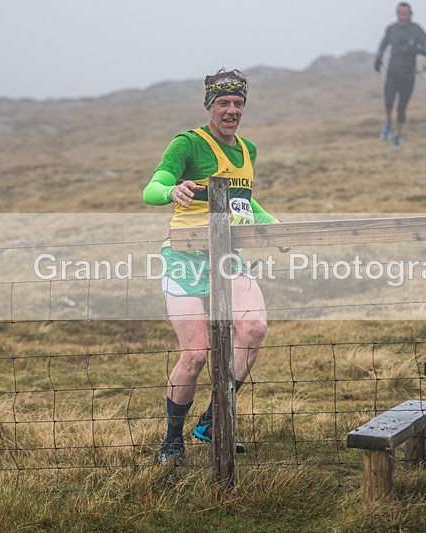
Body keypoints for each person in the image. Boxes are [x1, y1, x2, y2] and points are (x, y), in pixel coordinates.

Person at [143, 68, 282, 466]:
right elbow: (151, 189)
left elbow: (244, 202)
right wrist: (172, 189)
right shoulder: (187, 144)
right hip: (184, 259)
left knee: (254, 327)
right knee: (196, 353)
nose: (232, 110)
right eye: (224, 103)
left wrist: (274, 227)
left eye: (238, 103)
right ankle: (172, 440)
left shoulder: (248, 150)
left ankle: (213, 420)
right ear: (210, 106)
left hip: (227, 257)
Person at [374, 2, 426, 148]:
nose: (402, 16)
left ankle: (397, 136)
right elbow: (383, 44)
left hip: (408, 75)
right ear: (397, 14)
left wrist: (415, 48)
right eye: (400, 14)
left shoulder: (416, 30)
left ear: (410, 14)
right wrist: (378, 57)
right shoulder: (392, 29)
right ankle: (388, 122)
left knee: (401, 108)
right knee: (388, 101)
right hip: (392, 72)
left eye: (405, 14)